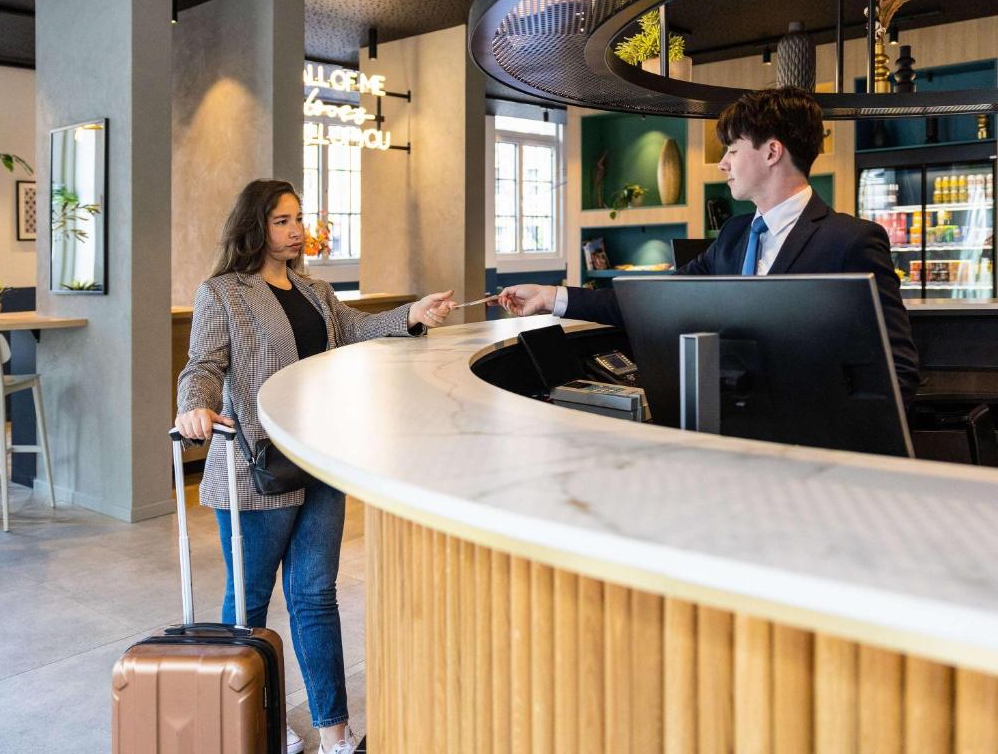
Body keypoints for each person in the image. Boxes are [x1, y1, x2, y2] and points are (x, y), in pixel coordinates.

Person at [175, 179, 457, 754]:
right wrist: (194, 405)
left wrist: (412, 313)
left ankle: (335, 731)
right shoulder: (223, 293)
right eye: (282, 220)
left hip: (321, 458)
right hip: (257, 465)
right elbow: (203, 363)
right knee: (250, 604)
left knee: (313, 594)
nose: (296, 229)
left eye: (298, 218)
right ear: (255, 226)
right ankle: (253, 718)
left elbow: (356, 330)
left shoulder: (314, 289)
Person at [498, 86, 919, 407]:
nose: (723, 163)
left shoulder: (850, 240)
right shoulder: (735, 236)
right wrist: (554, 297)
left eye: (733, 150)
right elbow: (654, 299)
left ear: (772, 152)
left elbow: (896, 371)